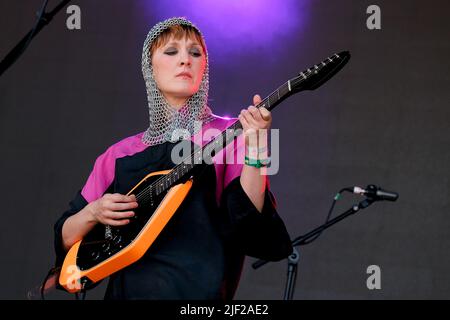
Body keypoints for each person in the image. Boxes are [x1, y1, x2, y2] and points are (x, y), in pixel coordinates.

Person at [53, 17, 292, 300]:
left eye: (195, 53)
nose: (185, 61)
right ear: (149, 69)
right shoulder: (117, 155)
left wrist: (256, 147)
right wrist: (93, 212)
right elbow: (67, 238)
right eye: (171, 52)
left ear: (204, 67)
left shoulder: (230, 134)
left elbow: (250, 224)